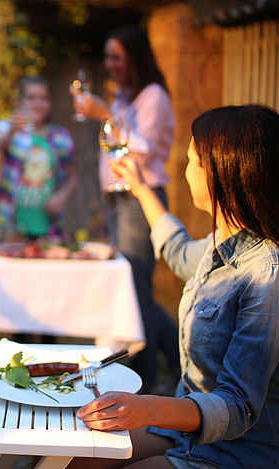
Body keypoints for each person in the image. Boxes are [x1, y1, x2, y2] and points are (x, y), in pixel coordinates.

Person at [68, 105, 279, 469]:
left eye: (191, 161)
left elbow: (237, 407)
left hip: (243, 453)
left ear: (220, 174)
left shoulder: (270, 274)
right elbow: (177, 250)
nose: (184, 171)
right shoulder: (220, 245)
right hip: (184, 434)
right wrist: (140, 188)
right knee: (67, 459)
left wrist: (145, 407)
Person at [70, 24, 179, 392]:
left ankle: (146, 386)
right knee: (134, 289)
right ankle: (175, 363)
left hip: (140, 198)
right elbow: (112, 141)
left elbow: (143, 146)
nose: (110, 64)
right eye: (107, 57)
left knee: (136, 291)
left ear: (135, 57)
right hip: (119, 199)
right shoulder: (125, 96)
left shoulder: (153, 96)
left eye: (116, 57)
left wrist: (106, 115)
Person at [0, 76, 78, 239]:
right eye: (31, 98)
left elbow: (74, 177)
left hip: (49, 227)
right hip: (8, 225)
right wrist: (9, 132)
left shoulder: (60, 137)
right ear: (19, 102)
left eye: (43, 99)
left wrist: (63, 196)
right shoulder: (8, 129)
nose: (38, 104)